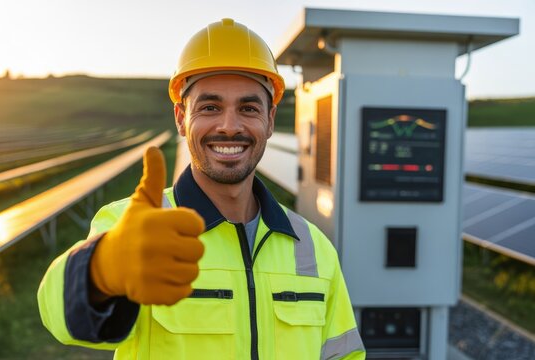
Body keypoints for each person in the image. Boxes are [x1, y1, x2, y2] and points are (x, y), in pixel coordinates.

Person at [38, 18, 365, 360]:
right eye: (210, 107)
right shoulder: (136, 226)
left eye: (248, 108)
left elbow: (344, 355)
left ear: (270, 119)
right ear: (181, 117)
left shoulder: (312, 247)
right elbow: (58, 316)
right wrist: (100, 270)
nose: (229, 126)